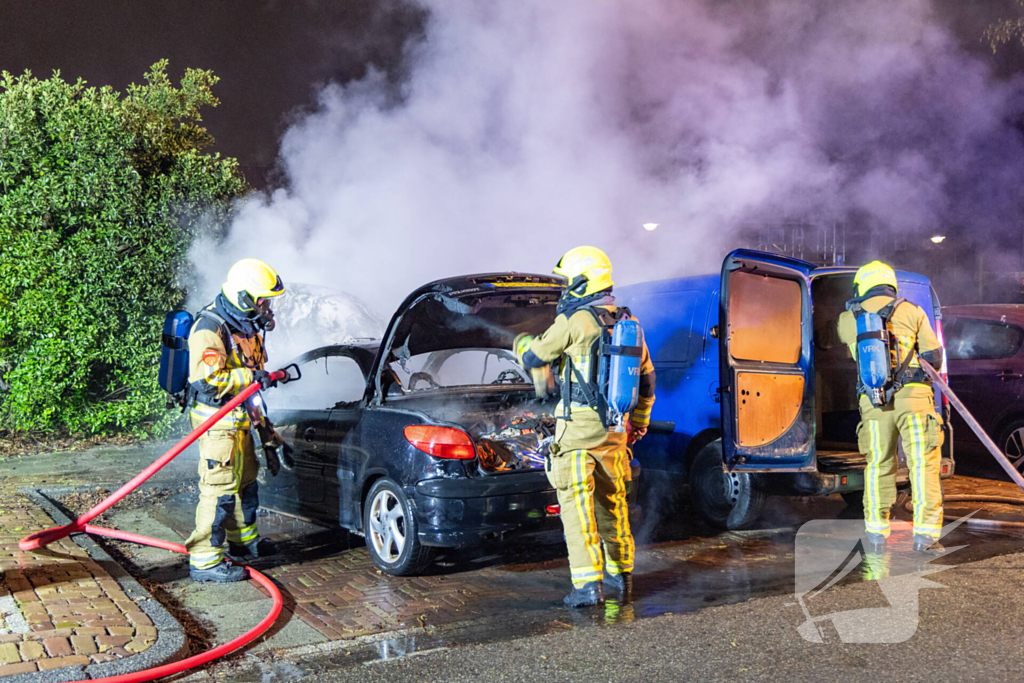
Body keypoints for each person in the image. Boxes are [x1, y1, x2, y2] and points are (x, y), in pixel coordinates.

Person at [517, 246, 656, 607]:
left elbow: (536, 357)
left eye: (568, 281)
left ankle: (586, 588)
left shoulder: (575, 321)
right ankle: (620, 577)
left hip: (577, 434)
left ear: (582, 281)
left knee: (578, 510)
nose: (565, 289)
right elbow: (647, 381)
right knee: (613, 505)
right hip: (615, 432)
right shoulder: (630, 324)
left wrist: (523, 344)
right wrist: (638, 423)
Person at [184, 258, 286, 582]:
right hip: (218, 425)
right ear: (244, 297)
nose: (266, 307)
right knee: (218, 491)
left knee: (245, 484)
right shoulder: (209, 327)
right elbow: (207, 381)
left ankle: (244, 544)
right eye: (262, 300)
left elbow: (251, 386)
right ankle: (204, 561)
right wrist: (251, 376)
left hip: (240, 421)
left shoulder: (245, 325)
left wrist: (268, 434)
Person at [837, 261, 945, 554]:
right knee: (922, 465)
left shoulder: (848, 318)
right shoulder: (912, 310)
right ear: (890, 284)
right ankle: (925, 535)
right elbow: (934, 358)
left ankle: (876, 533)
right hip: (914, 400)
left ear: (862, 286)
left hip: (874, 402)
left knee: (878, 466)